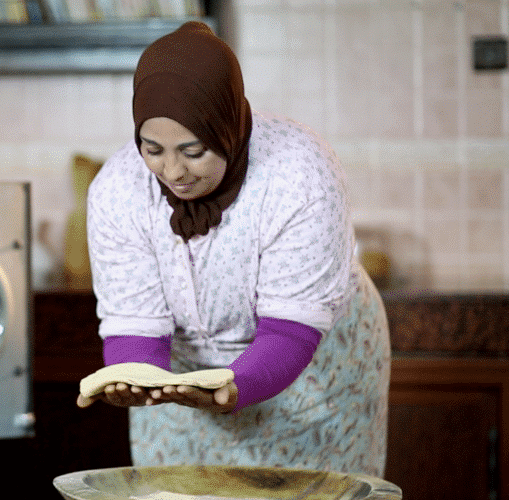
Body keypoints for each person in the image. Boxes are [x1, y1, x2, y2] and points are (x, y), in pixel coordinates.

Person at [76, 21, 390, 477]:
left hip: (314, 383)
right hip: (182, 391)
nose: (173, 170)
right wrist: (135, 377)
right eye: (153, 148)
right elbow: (135, 324)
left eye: (194, 149)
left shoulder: (299, 173)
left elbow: (290, 331)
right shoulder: (118, 187)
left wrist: (234, 385)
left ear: (226, 125)